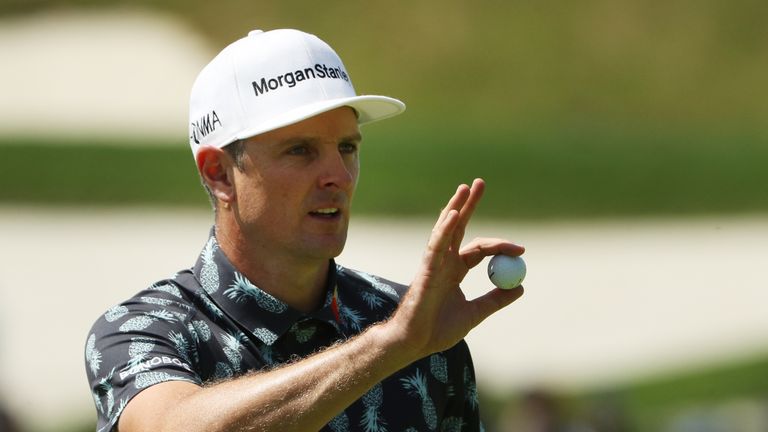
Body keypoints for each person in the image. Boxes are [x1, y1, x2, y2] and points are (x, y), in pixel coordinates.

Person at [84, 28, 525, 432]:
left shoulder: (417, 332)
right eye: (300, 150)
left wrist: (404, 340)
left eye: (347, 147)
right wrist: (392, 345)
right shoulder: (139, 330)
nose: (338, 175)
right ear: (219, 173)